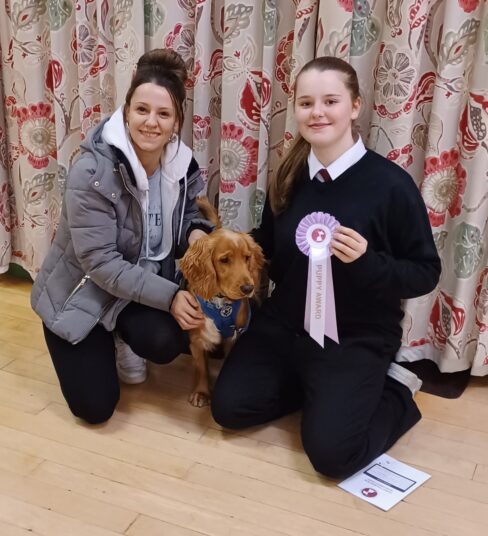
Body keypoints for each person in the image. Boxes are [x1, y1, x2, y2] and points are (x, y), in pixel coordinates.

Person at [211, 56, 441, 479]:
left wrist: (369, 263)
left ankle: (394, 389)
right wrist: (225, 250)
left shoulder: (392, 186)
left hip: (355, 335)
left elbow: (425, 272)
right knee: (228, 409)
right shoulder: (288, 175)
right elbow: (268, 246)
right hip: (284, 324)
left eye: (330, 101)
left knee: (333, 457)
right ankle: (320, 394)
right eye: (306, 103)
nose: (317, 112)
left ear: (355, 106)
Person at [31, 49, 210, 424]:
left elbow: (190, 216)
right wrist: (171, 296)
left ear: (177, 121)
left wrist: (197, 237)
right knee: (95, 409)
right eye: (142, 110)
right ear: (126, 111)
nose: (151, 122)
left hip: (137, 287)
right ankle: (86, 334)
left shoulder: (183, 165)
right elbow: (101, 264)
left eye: (163, 114)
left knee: (168, 342)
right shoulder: (91, 172)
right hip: (84, 295)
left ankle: (124, 337)